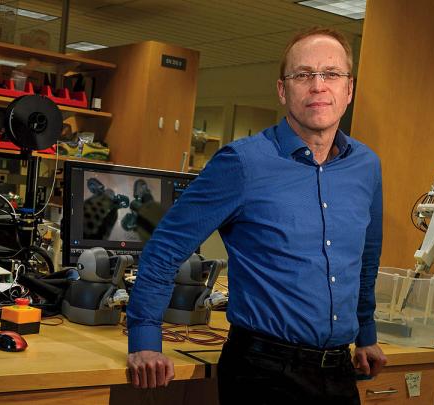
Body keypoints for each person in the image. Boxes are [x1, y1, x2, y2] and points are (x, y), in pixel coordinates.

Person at [125, 27, 387, 404]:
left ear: (349, 89)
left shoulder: (366, 166)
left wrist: (367, 334)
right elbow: (166, 247)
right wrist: (146, 338)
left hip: (339, 370)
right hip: (263, 372)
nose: (318, 86)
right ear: (283, 90)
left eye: (331, 74)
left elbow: (366, 261)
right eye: (303, 75)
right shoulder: (242, 162)